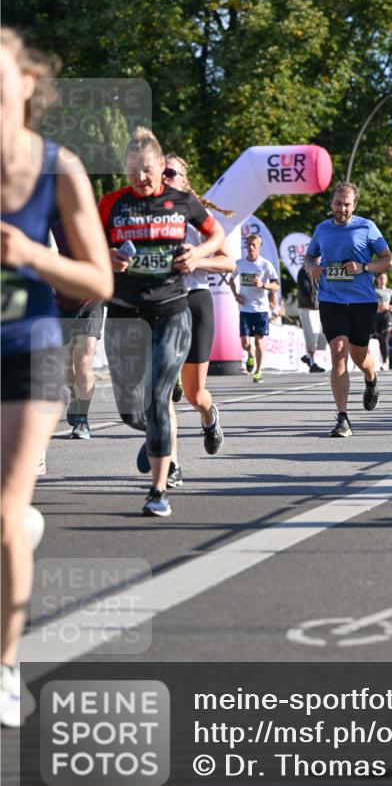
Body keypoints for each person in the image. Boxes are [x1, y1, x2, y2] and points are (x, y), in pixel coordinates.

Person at [1, 29, 113, 726]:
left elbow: (98, 277)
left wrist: (29, 255)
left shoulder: (57, 166)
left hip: (29, 344)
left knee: (3, 511)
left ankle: (6, 666)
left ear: (27, 84)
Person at [99, 128, 225, 518]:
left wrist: (197, 254)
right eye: (134, 170)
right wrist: (108, 255)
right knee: (131, 411)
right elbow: (82, 244)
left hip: (172, 309)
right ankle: (157, 433)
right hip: (123, 311)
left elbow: (216, 233)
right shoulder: (110, 204)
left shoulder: (183, 202)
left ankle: (158, 488)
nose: (142, 178)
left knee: (159, 397)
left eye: (149, 170)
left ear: (160, 167)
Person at [137, 153, 234, 486]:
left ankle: (209, 415)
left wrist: (196, 260)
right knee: (160, 391)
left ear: (183, 179)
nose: (162, 178)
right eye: (158, 172)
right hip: (161, 303)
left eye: (170, 173)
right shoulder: (143, 214)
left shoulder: (194, 215)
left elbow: (228, 263)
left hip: (195, 302)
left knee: (194, 393)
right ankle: (171, 462)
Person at [304, 181, 392, 438]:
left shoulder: (367, 227)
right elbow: (310, 257)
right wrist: (313, 268)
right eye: (337, 203)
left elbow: (387, 261)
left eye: (347, 204)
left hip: (362, 301)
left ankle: (371, 377)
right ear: (331, 203)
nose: (342, 208)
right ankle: (342, 417)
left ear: (355, 205)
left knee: (358, 356)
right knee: (338, 353)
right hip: (331, 299)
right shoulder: (322, 229)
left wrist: (364, 267)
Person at [51, 219, 104, 439]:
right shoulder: (49, 223)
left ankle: (82, 420)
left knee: (83, 361)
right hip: (61, 301)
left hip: (90, 300)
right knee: (65, 366)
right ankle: (75, 395)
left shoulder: (96, 221)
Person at [229, 233, 279, 384]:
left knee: (259, 342)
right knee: (245, 343)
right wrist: (235, 295)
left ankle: (258, 371)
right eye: (248, 245)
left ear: (259, 247)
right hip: (245, 308)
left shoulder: (265, 264)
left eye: (254, 245)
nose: (250, 248)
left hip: (261, 309)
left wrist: (263, 285)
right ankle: (250, 354)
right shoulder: (240, 263)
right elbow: (231, 279)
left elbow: (275, 285)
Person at [296, 264, 326, 372]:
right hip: (308, 307)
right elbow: (305, 290)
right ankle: (311, 361)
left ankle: (309, 358)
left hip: (317, 307)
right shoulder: (304, 271)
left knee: (320, 335)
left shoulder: (320, 270)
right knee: (311, 334)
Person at [374, 271, 392, 371]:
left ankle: (386, 361)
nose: (383, 280)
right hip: (377, 316)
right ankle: (382, 359)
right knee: (380, 340)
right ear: (377, 279)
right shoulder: (374, 290)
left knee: (385, 339)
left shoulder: (389, 291)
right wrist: (377, 306)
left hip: (387, 316)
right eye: (381, 278)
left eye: (384, 278)